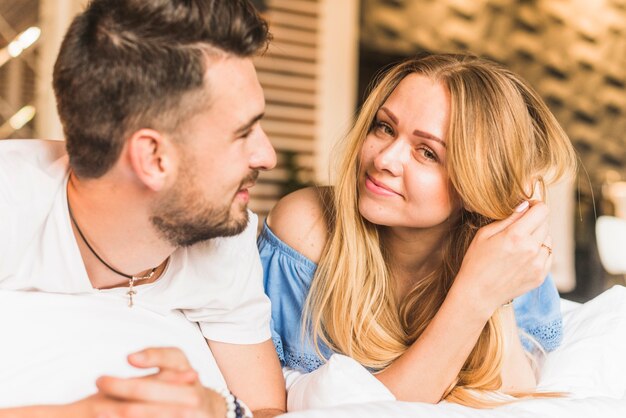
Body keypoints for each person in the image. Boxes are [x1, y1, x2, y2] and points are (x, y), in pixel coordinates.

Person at [0, 0, 286, 416]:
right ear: (152, 157)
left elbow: (265, 405)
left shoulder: (224, 229)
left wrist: (222, 409)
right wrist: (96, 413)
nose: (268, 156)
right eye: (243, 133)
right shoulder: (11, 201)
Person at [259, 53, 577, 407]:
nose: (384, 160)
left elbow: (516, 400)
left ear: (477, 184)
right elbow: (351, 411)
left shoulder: (512, 255)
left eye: (427, 152)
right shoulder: (306, 230)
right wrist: (473, 297)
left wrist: (492, 283)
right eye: (385, 127)